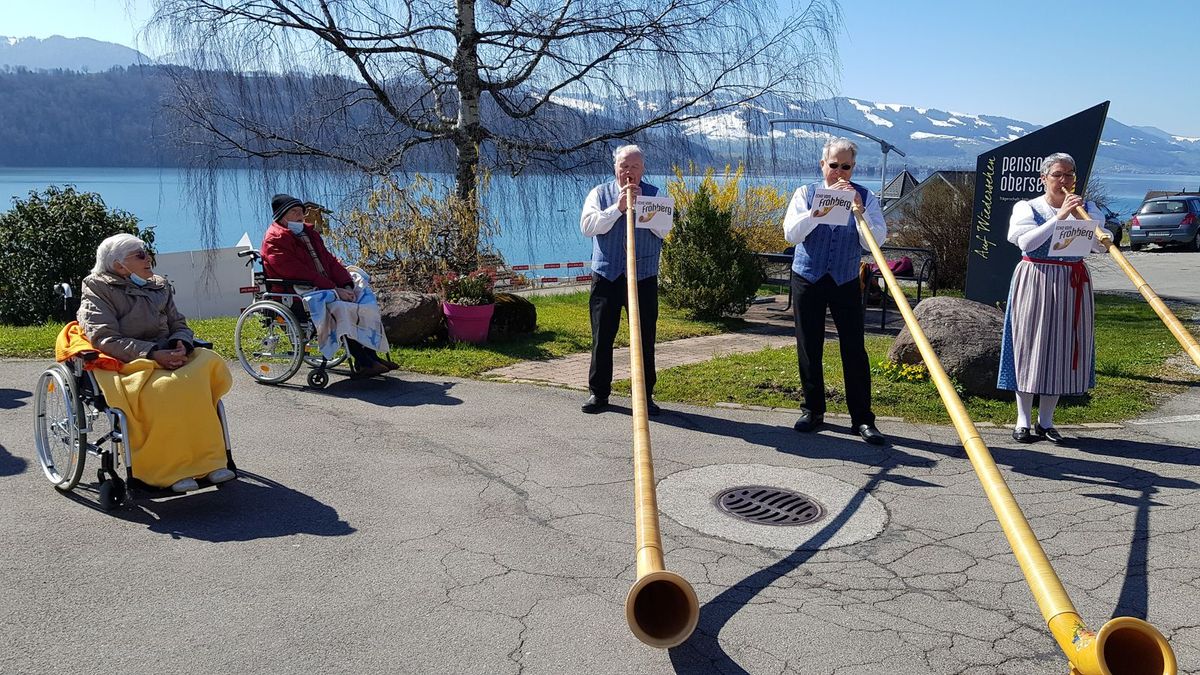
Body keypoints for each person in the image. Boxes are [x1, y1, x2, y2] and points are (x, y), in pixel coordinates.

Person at [77, 233, 235, 493]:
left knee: (203, 368)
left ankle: (210, 462)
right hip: (128, 360)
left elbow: (178, 323)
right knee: (164, 390)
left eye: (147, 252)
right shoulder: (97, 288)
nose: (148, 258)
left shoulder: (159, 285)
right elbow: (104, 338)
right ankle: (166, 471)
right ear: (118, 265)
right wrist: (151, 353)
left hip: (167, 352)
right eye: (139, 255)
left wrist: (180, 342)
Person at [997, 153, 1112, 443]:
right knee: (1029, 347)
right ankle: (1022, 419)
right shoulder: (1028, 207)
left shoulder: (1088, 208)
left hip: (1072, 281)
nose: (1065, 181)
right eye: (1058, 175)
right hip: (1036, 278)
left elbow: (1099, 249)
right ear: (1044, 178)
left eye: (1070, 175)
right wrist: (1059, 219)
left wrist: (1097, 233)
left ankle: (1046, 422)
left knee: (1063, 349)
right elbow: (1025, 242)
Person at [782, 137, 888, 445]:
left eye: (846, 167)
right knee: (809, 345)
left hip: (844, 278)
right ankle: (813, 410)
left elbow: (874, 243)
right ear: (822, 165)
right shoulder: (805, 193)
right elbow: (791, 234)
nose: (840, 173)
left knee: (854, 348)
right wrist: (817, 211)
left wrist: (860, 211)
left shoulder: (866, 196)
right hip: (808, 276)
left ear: (853, 168)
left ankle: (863, 419)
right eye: (834, 166)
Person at [261, 193, 394, 377]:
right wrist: (333, 289)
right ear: (282, 216)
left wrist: (346, 284)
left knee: (362, 300)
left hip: (322, 285)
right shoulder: (274, 240)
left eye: (301, 211)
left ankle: (371, 355)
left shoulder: (309, 233)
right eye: (294, 211)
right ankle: (363, 361)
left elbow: (329, 261)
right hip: (296, 291)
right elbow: (298, 272)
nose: (300, 215)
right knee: (340, 308)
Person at [579, 144, 668, 415]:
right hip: (606, 276)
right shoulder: (599, 193)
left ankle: (644, 395)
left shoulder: (655, 195)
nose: (629, 172)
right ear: (615, 168)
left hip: (642, 277)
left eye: (634, 167)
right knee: (602, 336)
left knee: (643, 338)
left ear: (642, 169)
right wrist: (617, 208)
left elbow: (664, 230)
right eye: (624, 167)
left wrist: (642, 207)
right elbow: (588, 227)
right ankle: (599, 393)